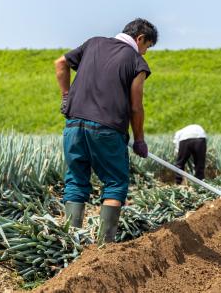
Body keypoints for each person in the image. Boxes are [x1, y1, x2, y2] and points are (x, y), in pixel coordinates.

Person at [54, 18, 157, 242]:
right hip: (107, 129)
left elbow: (60, 63)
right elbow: (136, 106)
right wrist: (139, 139)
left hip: (74, 125)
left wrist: (66, 96)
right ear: (140, 38)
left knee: (76, 181)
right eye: (147, 46)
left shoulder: (93, 43)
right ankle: (103, 248)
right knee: (115, 183)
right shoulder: (136, 61)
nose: (145, 52)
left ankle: (72, 243)